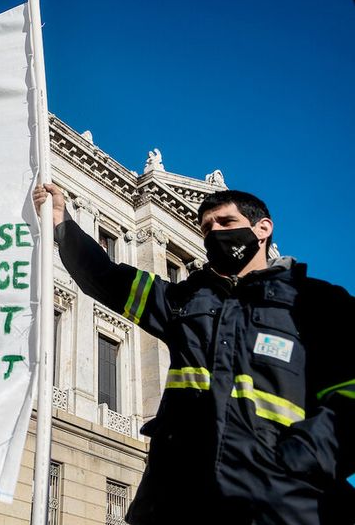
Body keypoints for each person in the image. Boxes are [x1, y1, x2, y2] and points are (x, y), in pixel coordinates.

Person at [33, 184, 355, 525]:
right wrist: (62, 225)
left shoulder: (319, 302)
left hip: (281, 504)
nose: (214, 232)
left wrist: (297, 459)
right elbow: (109, 279)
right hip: (178, 500)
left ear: (263, 229)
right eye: (206, 228)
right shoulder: (184, 301)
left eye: (226, 222)